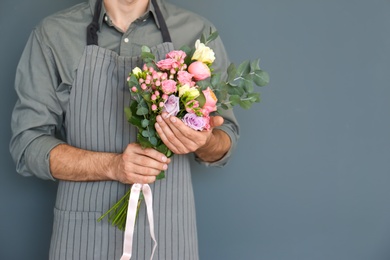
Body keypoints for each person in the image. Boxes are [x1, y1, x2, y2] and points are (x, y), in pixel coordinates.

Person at [10, 0, 239, 259]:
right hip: (82, 238)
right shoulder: (53, 34)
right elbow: (27, 145)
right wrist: (112, 166)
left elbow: (225, 138)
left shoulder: (196, 33)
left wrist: (203, 141)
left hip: (168, 235)